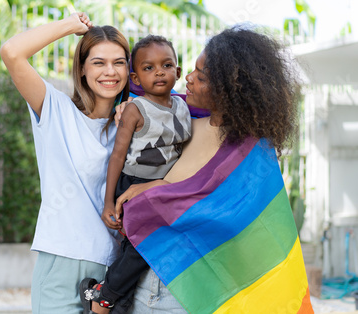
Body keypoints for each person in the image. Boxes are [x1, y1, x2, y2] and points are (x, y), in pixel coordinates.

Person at [115, 26, 313, 313]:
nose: (189, 79)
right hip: (148, 284)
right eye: (192, 70)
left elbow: (241, 225)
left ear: (229, 90)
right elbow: (136, 86)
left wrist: (159, 189)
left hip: (199, 293)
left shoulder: (252, 153)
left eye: (202, 77)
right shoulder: (183, 124)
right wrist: (128, 107)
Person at [0, 13, 131, 314]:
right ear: (82, 69)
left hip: (113, 270)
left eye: (119, 62)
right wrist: (72, 26)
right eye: (98, 62)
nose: (109, 71)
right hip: (61, 262)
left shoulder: (132, 124)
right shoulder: (55, 109)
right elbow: (12, 52)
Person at [79, 35, 192, 314]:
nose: (159, 72)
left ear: (178, 71)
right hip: (134, 184)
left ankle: (114, 300)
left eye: (167, 65)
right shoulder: (135, 109)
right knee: (143, 247)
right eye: (148, 68)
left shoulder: (183, 106)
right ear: (136, 78)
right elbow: (117, 156)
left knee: (141, 247)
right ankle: (104, 299)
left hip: (163, 189)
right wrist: (108, 202)